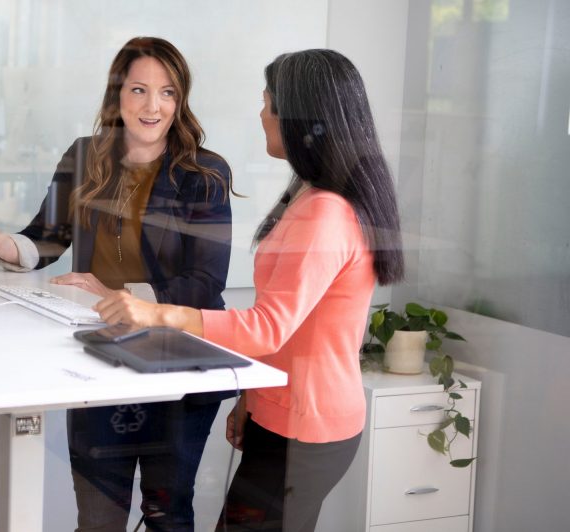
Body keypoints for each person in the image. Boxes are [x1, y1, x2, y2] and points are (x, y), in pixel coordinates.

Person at [91, 49, 406, 532]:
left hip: (305, 426)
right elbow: (293, 324)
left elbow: (266, 327)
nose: (261, 115)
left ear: (302, 118)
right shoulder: (310, 191)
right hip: (283, 413)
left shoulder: (325, 211)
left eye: (268, 104)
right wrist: (251, 400)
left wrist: (155, 313)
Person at [0, 37, 238, 531]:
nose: (153, 106)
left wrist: (120, 295)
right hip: (101, 355)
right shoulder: (85, 156)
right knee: (99, 518)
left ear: (181, 99)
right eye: (139, 90)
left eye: (167, 93)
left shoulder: (203, 173)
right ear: (117, 95)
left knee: (168, 513)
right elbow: (45, 241)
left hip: (178, 358)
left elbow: (205, 282)